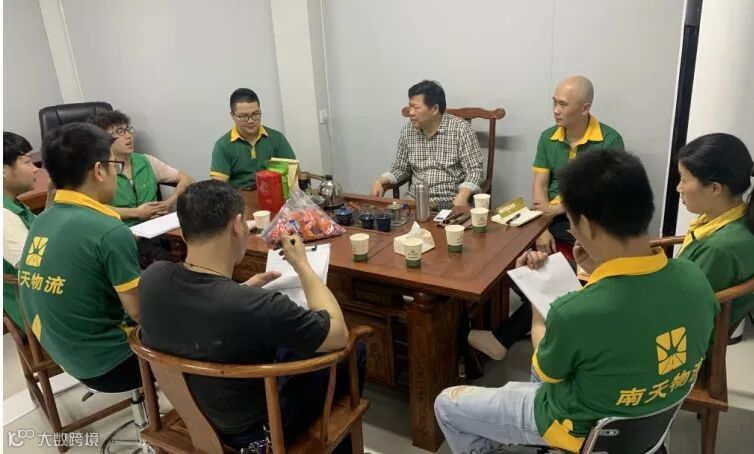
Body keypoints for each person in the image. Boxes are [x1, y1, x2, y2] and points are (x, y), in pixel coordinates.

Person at [435, 150, 717, 453]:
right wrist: (598, 270)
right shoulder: (696, 278)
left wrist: (537, 300)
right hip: (650, 424)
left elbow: (545, 367)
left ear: (586, 225)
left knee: (447, 404)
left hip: (577, 426)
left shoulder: (575, 313)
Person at [139, 180, 364, 452]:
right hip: (256, 433)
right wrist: (302, 265)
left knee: (285, 344)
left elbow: (201, 305)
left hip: (193, 412)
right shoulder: (253, 306)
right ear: (238, 225)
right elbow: (338, 335)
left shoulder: (152, 278)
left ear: (185, 232)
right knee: (355, 350)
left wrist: (243, 289)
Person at [467, 75, 624, 361]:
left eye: (563, 104)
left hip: (588, 224)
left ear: (585, 108)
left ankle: (503, 337)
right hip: (549, 218)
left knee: (565, 274)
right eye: (554, 102)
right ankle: (534, 319)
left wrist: (559, 208)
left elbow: (604, 196)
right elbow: (539, 188)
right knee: (500, 253)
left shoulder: (610, 140)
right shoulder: (548, 136)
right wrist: (541, 226)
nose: (555, 110)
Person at [17, 123, 143, 393]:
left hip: (65, 355)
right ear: (99, 170)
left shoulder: (42, 219)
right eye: (114, 165)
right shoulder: (109, 231)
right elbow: (140, 312)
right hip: (112, 365)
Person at [87, 110, 194, 262]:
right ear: (103, 140)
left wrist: (168, 202)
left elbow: (187, 178)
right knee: (161, 257)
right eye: (120, 132)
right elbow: (92, 208)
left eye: (128, 130)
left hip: (159, 226)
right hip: (126, 233)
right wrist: (136, 212)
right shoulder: (99, 170)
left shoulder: (145, 161)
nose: (128, 136)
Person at [676, 133, 754, 333]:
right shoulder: (740, 217)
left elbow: (681, 308)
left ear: (714, 188)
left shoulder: (718, 249)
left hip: (685, 336)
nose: (679, 188)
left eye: (684, 179)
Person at [370, 80, 484, 209]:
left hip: (450, 203)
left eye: (416, 108)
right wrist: (380, 181)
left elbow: (475, 171)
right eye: (410, 107)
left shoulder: (461, 129)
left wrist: (463, 195)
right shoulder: (408, 130)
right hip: (415, 203)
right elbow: (401, 169)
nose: (411, 112)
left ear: (434, 109)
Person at [210, 88, 296, 189]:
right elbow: (218, 188)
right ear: (232, 116)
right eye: (243, 116)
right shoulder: (223, 146)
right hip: (239, 196)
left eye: (255, 114)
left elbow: (293, 176)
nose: (250, 121)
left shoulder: (277, 139)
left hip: (273, 193)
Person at [3, 132, 40, 328]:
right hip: (33, 311)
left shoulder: (14, 205)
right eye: (27, 162)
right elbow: (37, 268)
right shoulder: (3, 217)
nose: (35, 169)